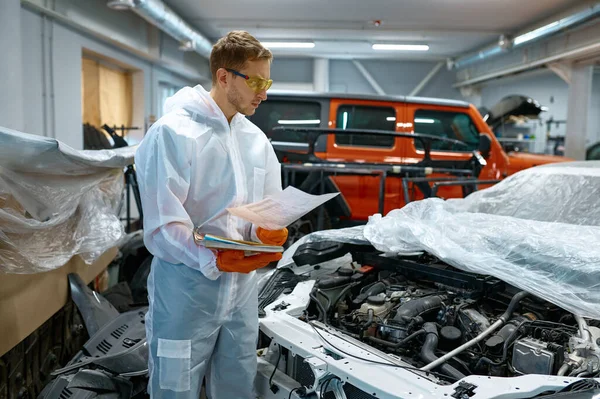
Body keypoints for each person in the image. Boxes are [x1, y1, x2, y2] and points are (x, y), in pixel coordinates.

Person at [135, 31, 288, 399]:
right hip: (186, 294)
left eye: (268, 82)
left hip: (241, 295)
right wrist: (213, 257)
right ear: (224, 76)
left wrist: (270, 231)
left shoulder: (255, 140)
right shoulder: (173, 134)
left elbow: (270, 205)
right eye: (257, 81)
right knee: (175, 388)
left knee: (237, 383)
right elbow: (162, 226)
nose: (264, 93)